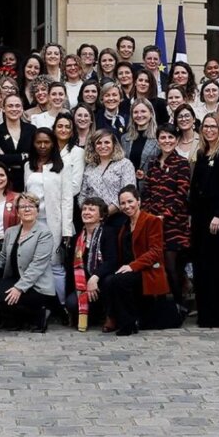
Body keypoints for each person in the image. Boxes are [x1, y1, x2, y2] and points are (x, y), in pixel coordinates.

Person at [189, 113, 219, 328]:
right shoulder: (202, 152)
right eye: (206, 126)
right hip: (199, 216)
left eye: (213, 127)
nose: (209, 130)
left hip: (215, 216)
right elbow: (195, 187)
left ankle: (216, 315)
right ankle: (204, 313)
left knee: (214, 266)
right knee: (200, 265)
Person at [0, 192, 55, 332]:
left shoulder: (44, 233)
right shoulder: (11, 232)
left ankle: (39, 313)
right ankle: (20, 316)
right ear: (17, 212)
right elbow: (2, 256)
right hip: (15, 279)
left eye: (31, 206)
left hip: (37, 286)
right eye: (22, 206)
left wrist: (19, 288)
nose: (27, 209)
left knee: (10, 295)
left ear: (37, 210)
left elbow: (37, 267)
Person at [103, 185, 170, 336]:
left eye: (130, 201)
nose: (127, 206)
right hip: (130, 269)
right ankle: (117, 318)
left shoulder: (151, 221)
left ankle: (129, 323)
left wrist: (133, 266)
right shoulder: (124, 225)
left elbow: (155, 252)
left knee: (120, 281)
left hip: (148, 269)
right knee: (108, 280)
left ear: (139, 201)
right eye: (123, 203)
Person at [141, 124, 191, 309]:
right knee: (156, 265)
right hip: (153, 223)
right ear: (158, 140)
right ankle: (161, 306)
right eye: (163, 138)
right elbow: (147, 191)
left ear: (176, 140)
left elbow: (181, 193)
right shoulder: (153, 163)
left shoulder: (182, 163)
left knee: (172, 267)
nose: (167, 141)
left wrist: (165, 215)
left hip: (174, 224)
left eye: (171, 138)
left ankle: (181, 304)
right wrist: (148, 215)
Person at [24, 128, 74, 303]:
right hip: (32, 223)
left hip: (54, 223)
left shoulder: (62, 167)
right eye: (39, 142)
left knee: (55, 264)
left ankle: (61, 305)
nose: (43, 146)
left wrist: (67, 230)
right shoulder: (27, 166)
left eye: (47, 142)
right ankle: (41, 305)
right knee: (34, 264)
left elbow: (67, 199)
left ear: (53, 143)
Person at [64, 196, 117, 331]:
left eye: (92, 210)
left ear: (101, 216)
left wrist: (95, 278)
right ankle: (91, 314)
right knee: (72, 303)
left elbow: (112, 261)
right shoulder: (77, 238)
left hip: (102, 280)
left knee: (109, 281)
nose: (86, 212)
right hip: (83, 285)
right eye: (85, 209)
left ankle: (110, 316)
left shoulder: (108, 233)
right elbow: (71, 270)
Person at [79, 129, 136, 224]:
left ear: (114, 144)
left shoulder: (125, 164)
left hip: (118, 218)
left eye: (107, 142)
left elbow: (128, 192)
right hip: (92, 220)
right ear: (94, 146)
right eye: (99, 143)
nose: (103, 146)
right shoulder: (90, 167)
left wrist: (104, 214)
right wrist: (88, 211)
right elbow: (83, 194)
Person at [0, 93, 35, 194]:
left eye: (17, 106)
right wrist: (23, 156)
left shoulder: (31, 129)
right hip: (4, 180)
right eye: (10, 106)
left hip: (27, 179)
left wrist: (6, 157)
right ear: (3, 108)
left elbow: (34, 156)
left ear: (22, 109)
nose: (14, 109)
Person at [120, 100, 158, 180]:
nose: (139, 115)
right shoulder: (124, 138)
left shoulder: (159, 138)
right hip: (128, 186)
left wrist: (146, 175)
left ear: (151, 113)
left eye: (143, 111)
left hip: (150, 186)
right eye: (135, 112)